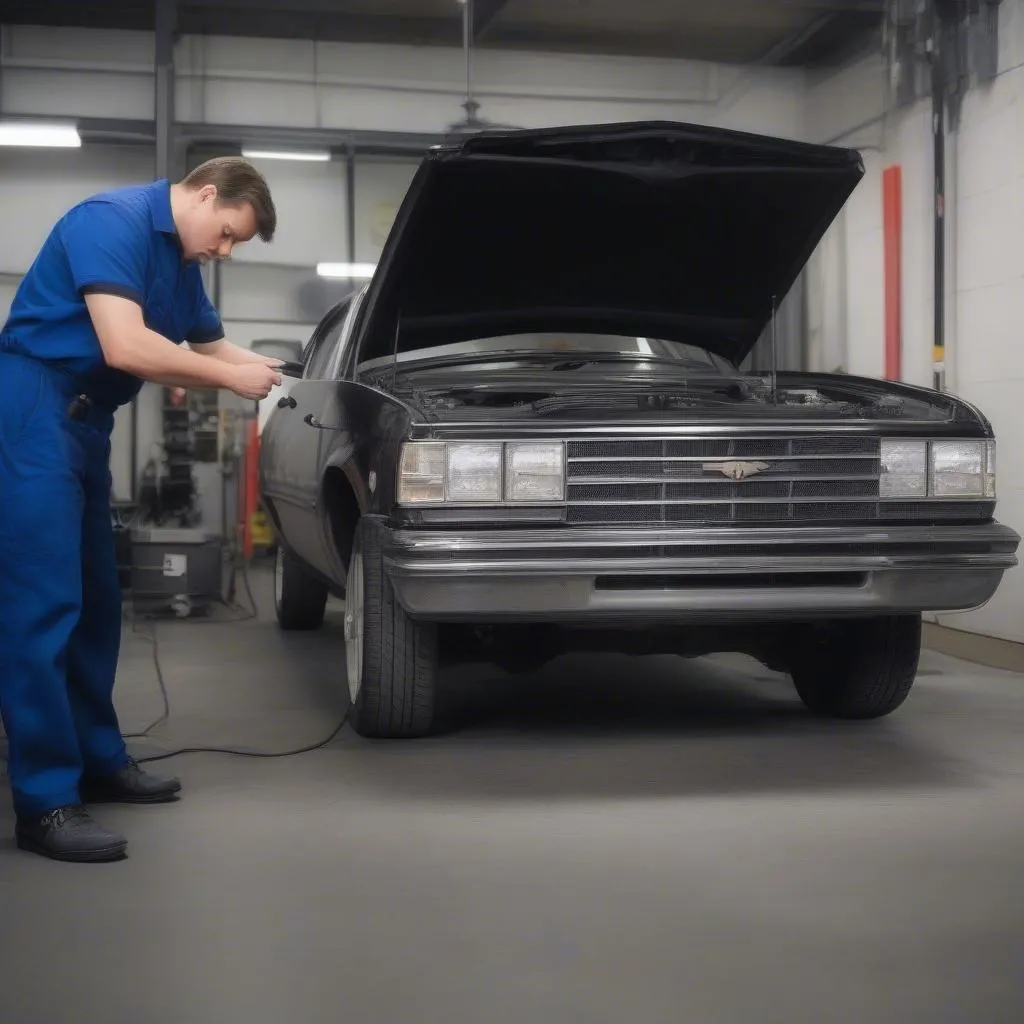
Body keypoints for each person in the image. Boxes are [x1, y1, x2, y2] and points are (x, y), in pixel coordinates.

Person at [0, 157, 283, 862]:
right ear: (207, 194)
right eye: (225, 235)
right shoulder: (110, 222)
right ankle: (45, 801)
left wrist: (299, 378)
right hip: (32, 409)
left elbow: (214, 345)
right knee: (42, 606)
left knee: (98, 600)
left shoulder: (183, 266)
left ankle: (97, 757)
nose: (223, 252)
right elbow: (126, 345)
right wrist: (231, 379)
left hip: (87, 425)